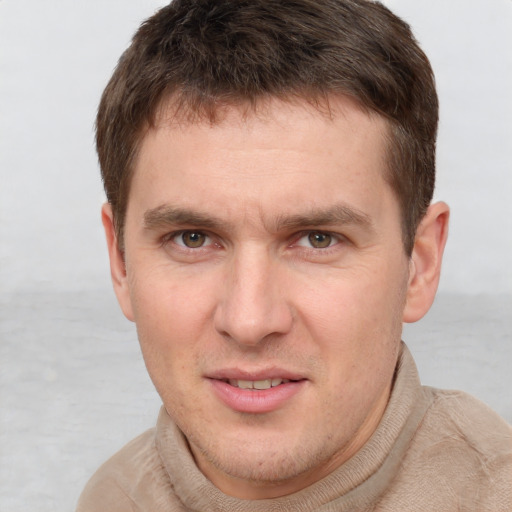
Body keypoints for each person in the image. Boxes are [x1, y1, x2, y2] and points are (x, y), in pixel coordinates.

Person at [77, 0, 512, 510]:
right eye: (192, 238)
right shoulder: (113, 496)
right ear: (121, 261)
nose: (249, 319)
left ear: (420, 264)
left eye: (317, 239)